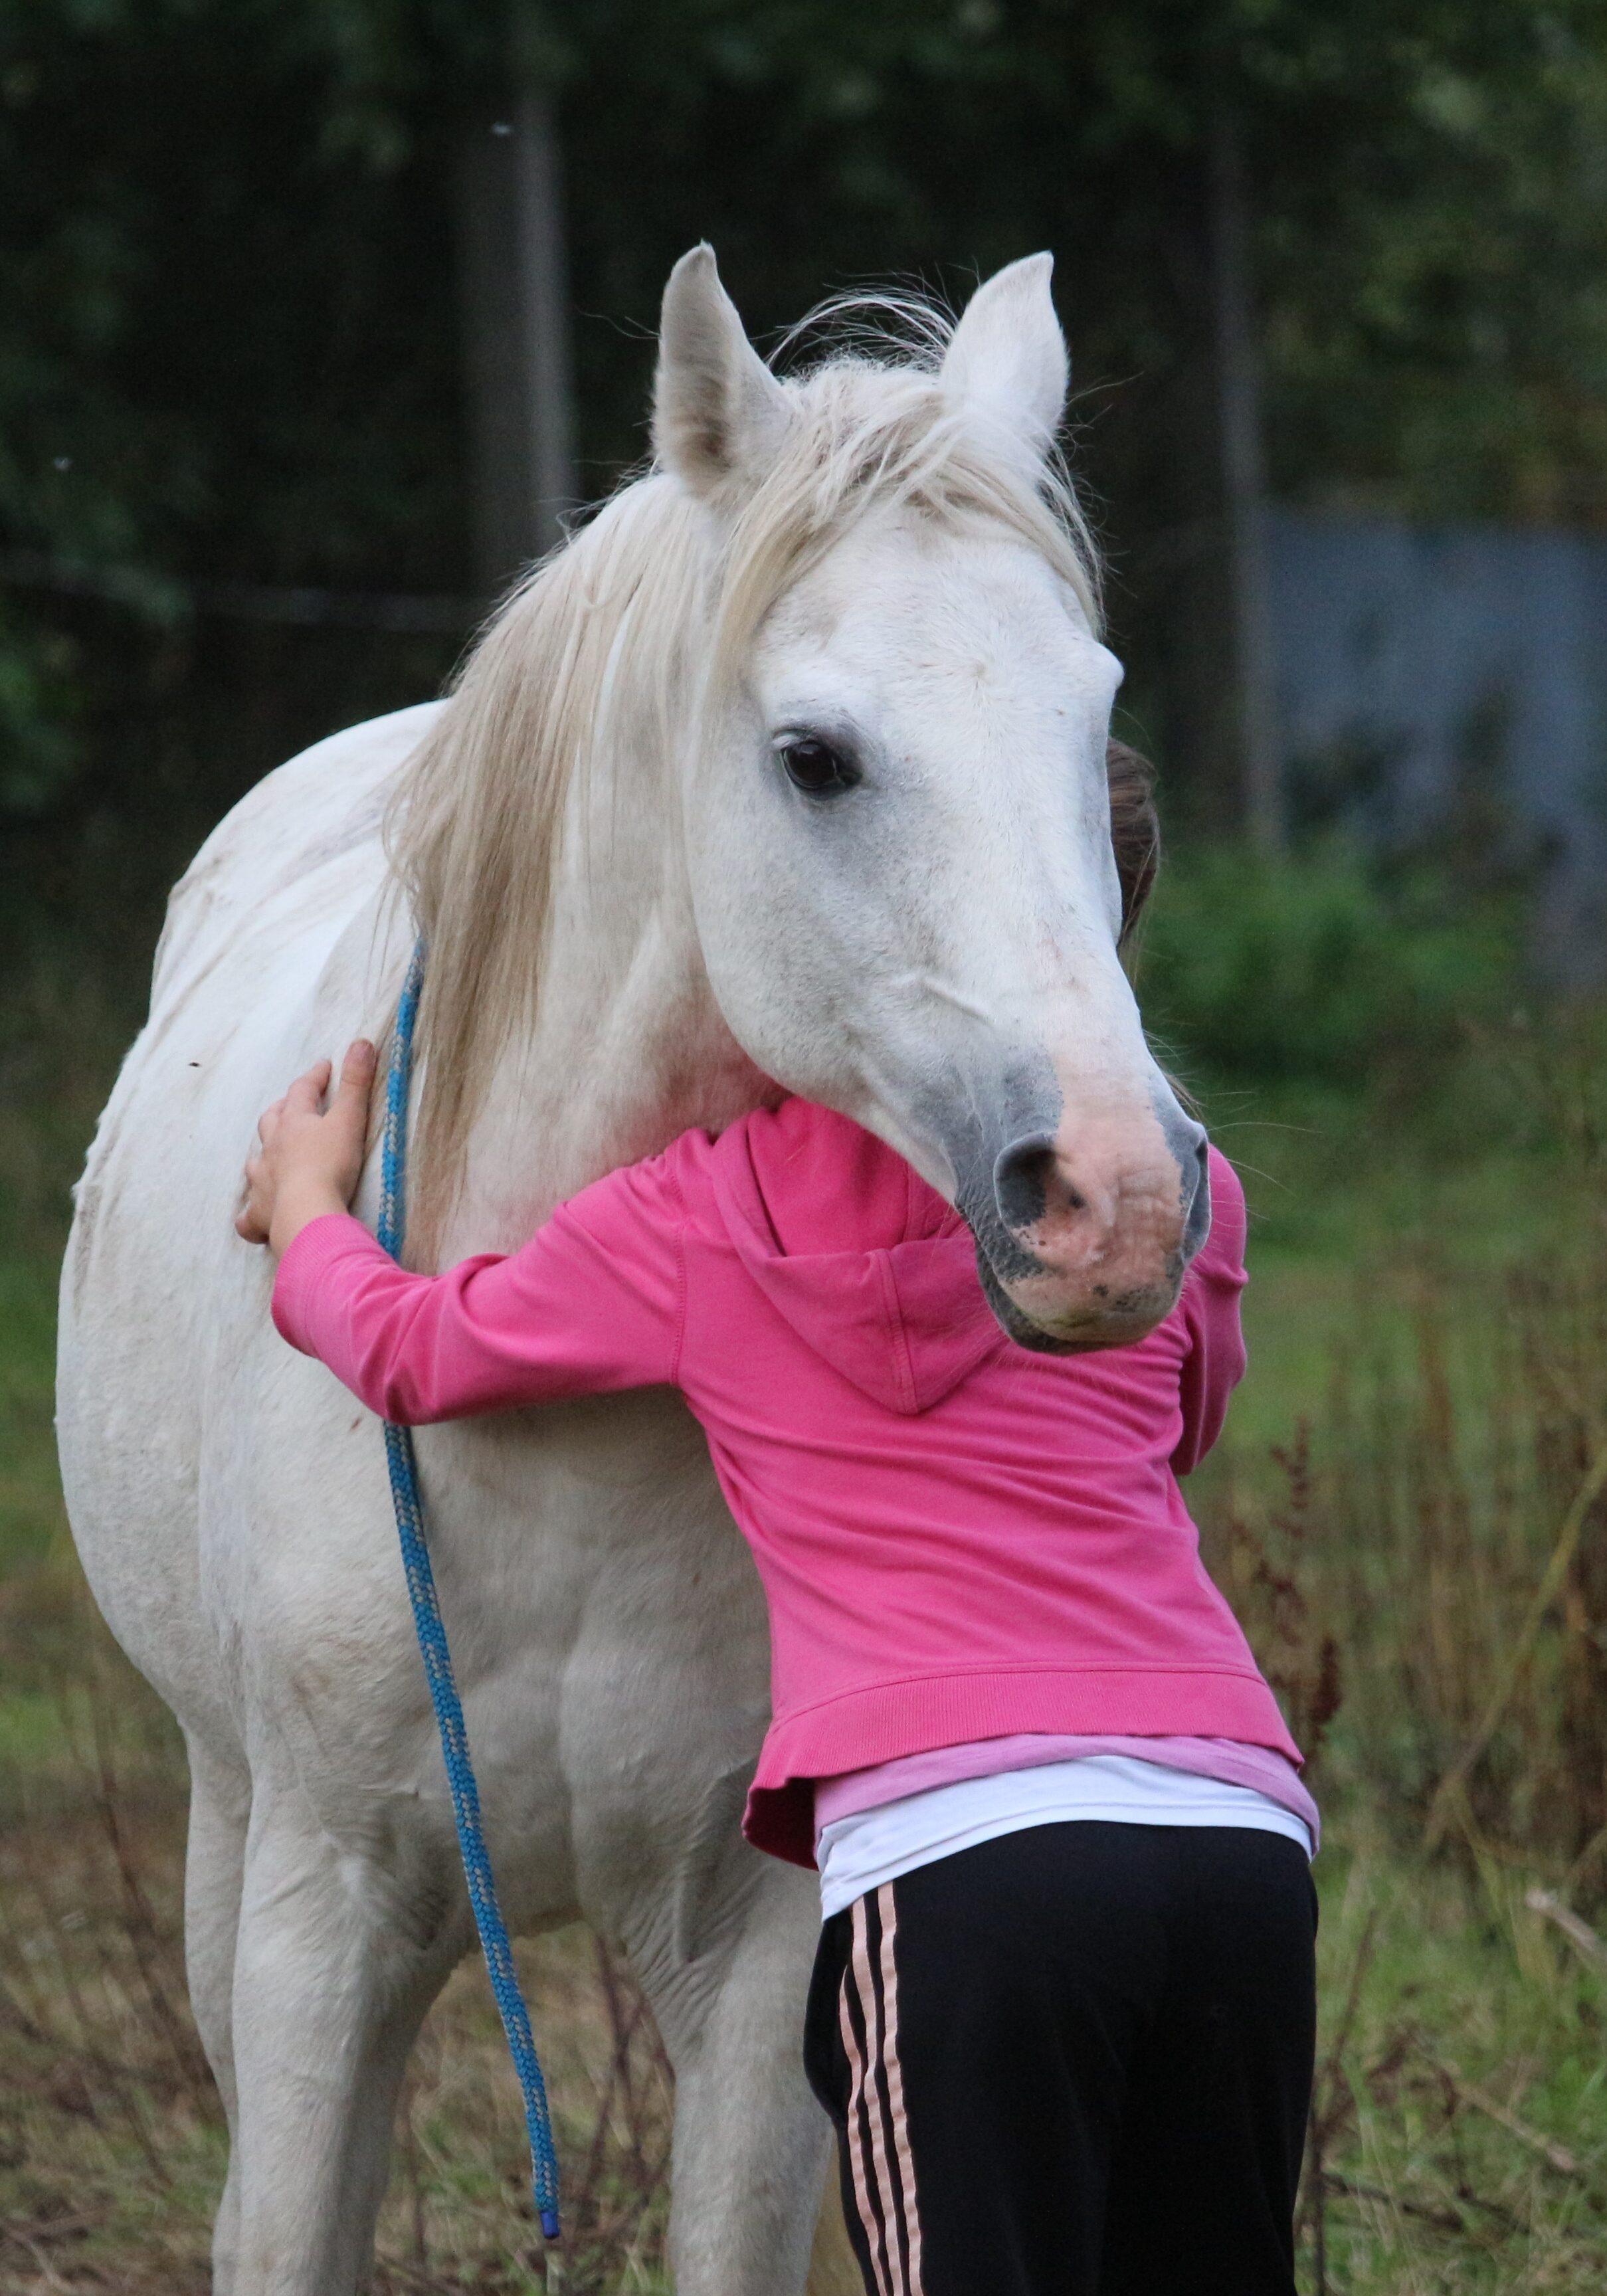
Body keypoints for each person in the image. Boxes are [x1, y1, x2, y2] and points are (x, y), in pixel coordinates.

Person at [237, 745, 1317, 2296]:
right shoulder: (1178, 1194)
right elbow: (1179, 1431)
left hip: (960, 1859)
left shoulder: (709, 1213)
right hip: (1232, 1831)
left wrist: (314, 1214)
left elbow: (418, 1353)